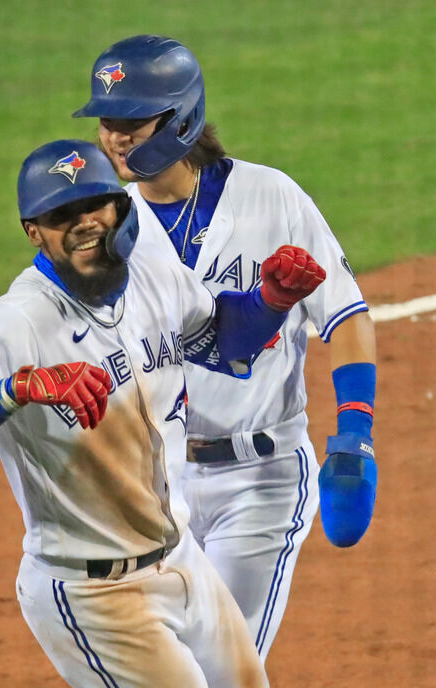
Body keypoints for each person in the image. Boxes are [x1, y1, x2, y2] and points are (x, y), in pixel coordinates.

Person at [0, 139, 326, 687]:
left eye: (95, 205)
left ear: (120, 208)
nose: (84, 223)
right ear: (33, 231)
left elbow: (221, 340)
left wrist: (270, 299)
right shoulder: (15, 322)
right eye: (61, 215)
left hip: (183, 558)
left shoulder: (156, 279)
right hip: (95, 593)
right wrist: (18, 388)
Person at [72, 34, 379, 657]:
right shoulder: (110, 226)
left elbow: (345, 316)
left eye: (133, 121)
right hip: (157, 487)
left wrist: (355, 434)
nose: (115, 137)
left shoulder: (271, 198)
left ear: (182, 117)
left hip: (259, 481)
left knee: (218, 669)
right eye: (108, 122)